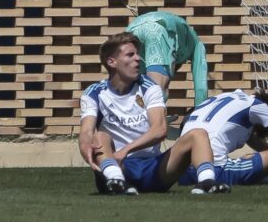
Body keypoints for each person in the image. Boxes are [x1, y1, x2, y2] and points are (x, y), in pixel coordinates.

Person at [78, 32, 228, 195]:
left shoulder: (149, 87)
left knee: (198, 134)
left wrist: (126, 150)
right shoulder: (94, 92)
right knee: (99, 137)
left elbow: (159, 130)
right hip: (117, 165)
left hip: (154, 169)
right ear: (112, 62)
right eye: (130, 55)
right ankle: (116, 181)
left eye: (137, 54)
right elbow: (86, 131)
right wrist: (85, 146)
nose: (138, 59)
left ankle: (207, 182)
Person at [126, 11, 208, 106]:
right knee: (157, 90)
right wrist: (200, 109)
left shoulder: (180, 43)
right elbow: (201, 87)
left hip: (131, 30)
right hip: (157, 30)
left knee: (131, 87)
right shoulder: (197, 44)